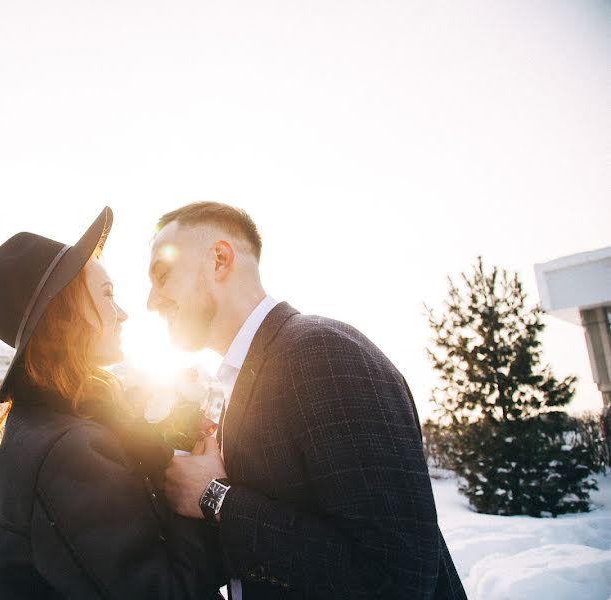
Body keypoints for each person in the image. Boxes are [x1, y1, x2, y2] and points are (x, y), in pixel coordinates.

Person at [149, 202, 467, 599]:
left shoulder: (320, 353)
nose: (151, 301)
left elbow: (395, 575)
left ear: (219, 259)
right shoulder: (250, 376)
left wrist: (217, 497)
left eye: (161, 277)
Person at [0, 207, 222, 600]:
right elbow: (168, 592)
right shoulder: (68, 452)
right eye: (107, 295)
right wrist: (203, 496)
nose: (123, 314)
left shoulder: (55, 421)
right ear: (65, 316)